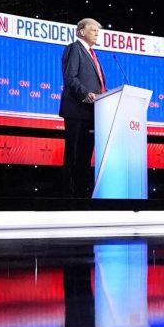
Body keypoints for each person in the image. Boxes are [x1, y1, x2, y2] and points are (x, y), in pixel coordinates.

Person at [59, 18, 108, 198]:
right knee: (73, 154)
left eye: (98, 30)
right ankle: (68, 196)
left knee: (85, 157)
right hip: (76, 110)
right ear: (81, 32)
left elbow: (99, 85)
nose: (97, 33)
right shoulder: (74, 48)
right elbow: (70, 78)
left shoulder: (93, 54)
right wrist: (86, 94)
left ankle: (81, 195)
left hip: (92, 112)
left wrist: (105, 96)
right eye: (93, 30)